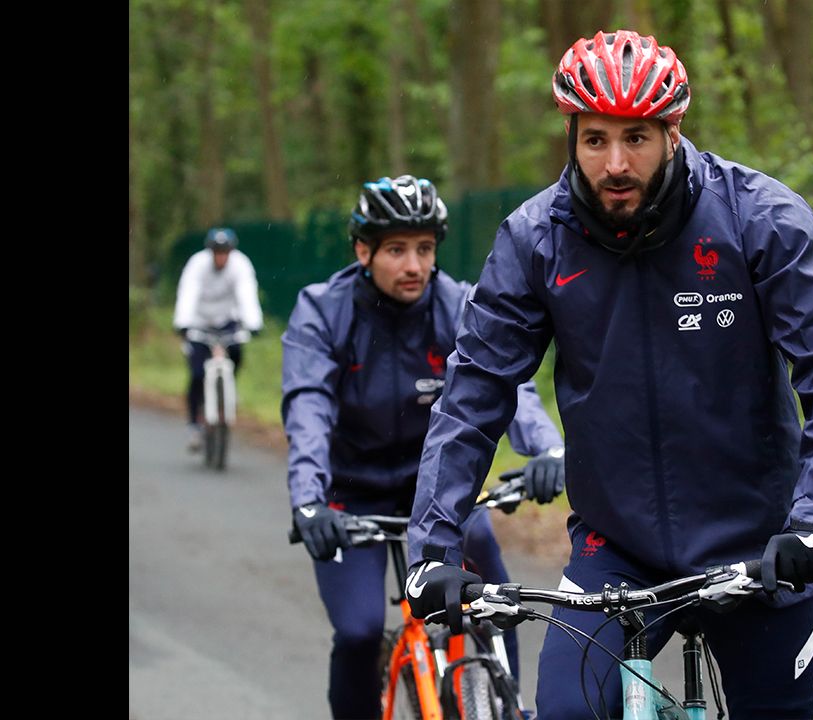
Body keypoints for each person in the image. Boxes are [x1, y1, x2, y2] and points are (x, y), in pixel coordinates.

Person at [402, 29, 813, 719]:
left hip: (759, 548)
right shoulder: (536, 239)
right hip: (616, 549)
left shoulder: (761, 220)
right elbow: (474, 396)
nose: (615, 163)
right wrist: (434, 544)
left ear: (672, 134)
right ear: (572, 136)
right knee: (563, 710)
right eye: (596, 140)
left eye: (636, 139)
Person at [281, 175, 565, 719]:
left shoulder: (457, 304)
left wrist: (547, 450)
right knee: (361, 631)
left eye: (425, 249)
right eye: (396, 249)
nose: (414, 265)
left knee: (493, 606)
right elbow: (307, 408)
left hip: (437, 493)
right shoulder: (323, 311)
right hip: (350, 499)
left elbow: (505, 386)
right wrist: (309, 499)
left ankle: (511, 707)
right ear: (363, 251)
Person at [173, 227, 264, 452]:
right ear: (210, 252)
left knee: (237, 355)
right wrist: (183, 322)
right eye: (217, 252)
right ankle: (195, 425)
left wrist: (253, 322)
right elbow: (188, 293)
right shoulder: (197, 264)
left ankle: (227, 392)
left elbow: (247, 293)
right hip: (199, 321)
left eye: (225, 252)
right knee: (196, 374)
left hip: (227, 321)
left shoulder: (240, 265)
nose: (221, 257)